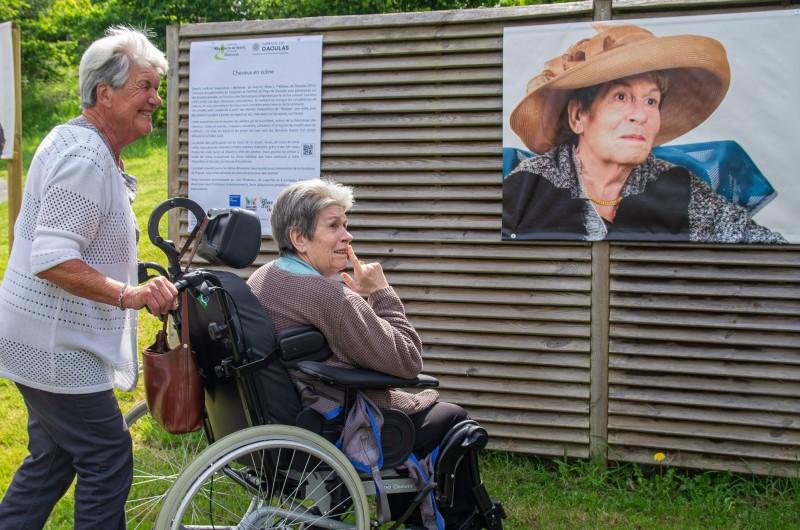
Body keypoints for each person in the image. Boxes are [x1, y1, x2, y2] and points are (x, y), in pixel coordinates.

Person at [0, 27, 177, 529]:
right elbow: (52, 257)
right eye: (144, 87)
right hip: (57, 346)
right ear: (105, 93)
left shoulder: (75, 140)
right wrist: (128, 294)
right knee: (107, 455)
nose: (155, 99)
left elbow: (51, 239)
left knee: (52, 461)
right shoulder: (84, 156)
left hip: (37, 337)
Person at [247, 179, 488, 528]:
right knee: (452, 417)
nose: (348, 236)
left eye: (346, 225)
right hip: (338, 424)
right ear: (299, 238)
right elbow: (407, 360)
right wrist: (381, 292)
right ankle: (460, 521)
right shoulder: (328, 296)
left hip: (283, 419)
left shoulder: (264, 277)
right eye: (334, 226)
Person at [503, 24, 785, 243]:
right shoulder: (525, 187)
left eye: (651, 101)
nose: (640, 115)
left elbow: (768, 255)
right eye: (621, 97)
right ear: (578, 116)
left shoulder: (680, 186)